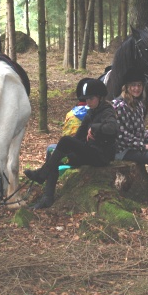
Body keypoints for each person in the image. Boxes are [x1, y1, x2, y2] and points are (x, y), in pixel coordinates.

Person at [25, 78, 118, 209]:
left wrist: (95, 128)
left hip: (101, 156)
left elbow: (113, 128)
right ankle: (47, 197)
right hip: (89, 152)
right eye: (86, 99)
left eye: (91, 98)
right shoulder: (90, 112)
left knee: (65, 141)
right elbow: (79, 136)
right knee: (55, 155)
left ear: (100, 98)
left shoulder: (107, 111)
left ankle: (41, 174)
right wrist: (66, 150)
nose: (88, 102)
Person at [112, 67, 148, 181]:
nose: (137, 88)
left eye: (139, 85)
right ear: (126, 87)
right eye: (133, 85)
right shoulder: (119, 106)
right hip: (122, 150)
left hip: (134, 143)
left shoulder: (139, 104)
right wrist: (144, 146)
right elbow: (122, 137)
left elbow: (139, 130)